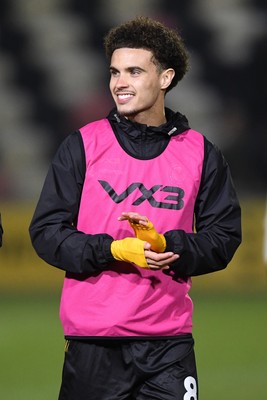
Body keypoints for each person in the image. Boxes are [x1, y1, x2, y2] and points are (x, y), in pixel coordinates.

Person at [29, 16, 241, 400]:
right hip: (94, 344)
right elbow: (46, 233)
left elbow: (224, 238)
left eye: (134, 71)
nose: (119, 83)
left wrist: (171, 245)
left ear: (165, 78)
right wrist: (111, 249)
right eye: (114, 72)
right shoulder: (82, 145)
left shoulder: (202, 154)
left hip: (169, 345)